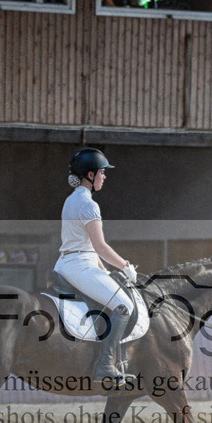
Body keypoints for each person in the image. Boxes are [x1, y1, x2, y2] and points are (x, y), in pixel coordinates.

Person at [55, 147, 138, 384]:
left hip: (69, 263)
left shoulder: (71, 200)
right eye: (102, 172)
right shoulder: (89, 205)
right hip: (79, 266)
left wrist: (104, 269)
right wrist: (125, 266)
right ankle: (105, 365)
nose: (105, 176)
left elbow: (86, 245)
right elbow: (100, 246)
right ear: (90, 175)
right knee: (124, 305)